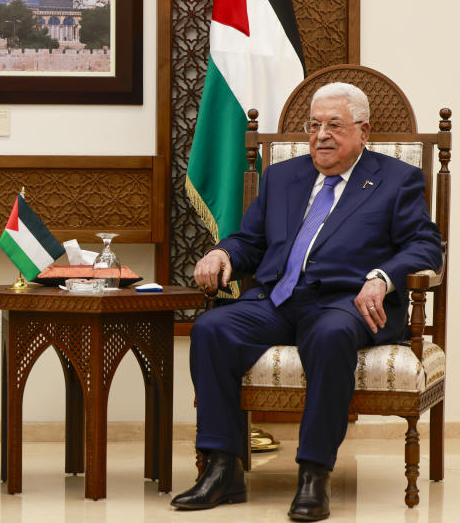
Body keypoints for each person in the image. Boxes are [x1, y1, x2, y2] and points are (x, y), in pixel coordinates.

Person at [171, 82, 442, 521]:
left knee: (331, 335)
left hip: (345, 303)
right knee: (212, 329)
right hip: (278, 299)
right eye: (313, 125)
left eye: (334, 125)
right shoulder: (284, 177)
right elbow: (250, 241)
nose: (321, 135)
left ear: (363, 131)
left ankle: (314, 473)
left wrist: (382, 278)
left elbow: (426, 246)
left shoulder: (396, 179)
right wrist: (223, 252)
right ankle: (223, 468)